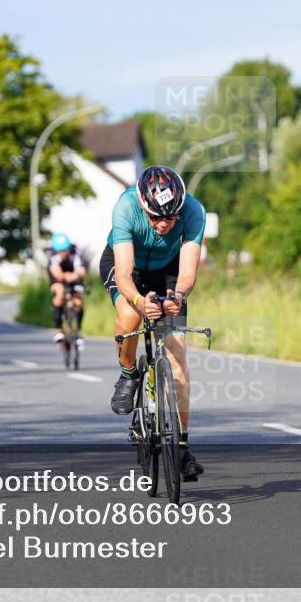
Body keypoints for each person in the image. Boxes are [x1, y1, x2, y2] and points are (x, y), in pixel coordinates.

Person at [100, 166, 206, 481]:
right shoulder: (126, 206)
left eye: (170, 218)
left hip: (168, 270)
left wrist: (178, 295)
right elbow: (123, 275)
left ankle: (182, 447)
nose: (163, 224)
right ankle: (128, 374)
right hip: (127, 266)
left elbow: (187, 272)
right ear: (143, 207)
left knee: (177, 355)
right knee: (131, 316)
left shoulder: (194, 212)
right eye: (155, 217)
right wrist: (138, 300)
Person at [48, 233, 86, 349]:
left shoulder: (76, 252)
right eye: (60, 251)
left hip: (74, 278)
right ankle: (58, 330)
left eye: (65, 250)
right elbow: (58, 275)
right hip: (58, 279)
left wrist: (74, 275)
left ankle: (78, 332)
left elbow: (82, 271)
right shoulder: (52, 255)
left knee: (78, 301)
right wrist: (68, 276)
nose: (63, 253)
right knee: (60, 292)